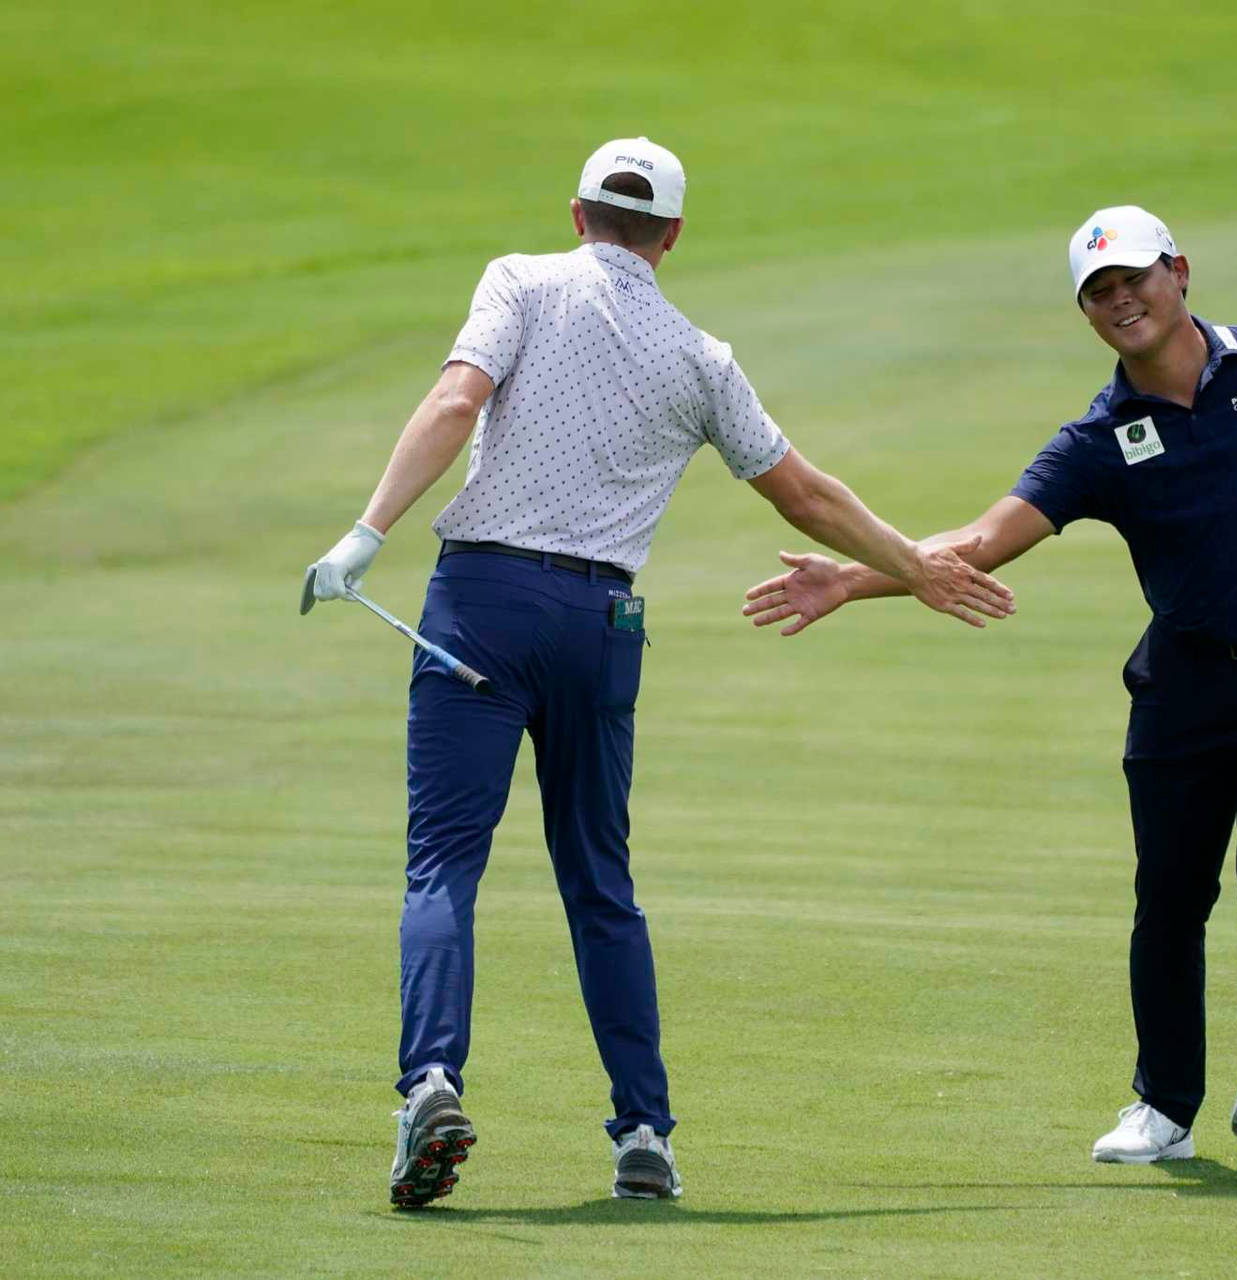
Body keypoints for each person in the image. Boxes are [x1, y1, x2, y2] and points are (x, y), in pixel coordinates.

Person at [301, 136, 1014, 1208]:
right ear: (672, 236)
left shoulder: (519, 281)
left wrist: (366, 529)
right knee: (600, 881)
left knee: (444, 863)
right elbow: (804, 492)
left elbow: (456, 403)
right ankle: (643, 1131)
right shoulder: (700, 356)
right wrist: (914, 564)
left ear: (578, 211)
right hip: (602, 623)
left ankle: (431, 1084)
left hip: (481, 607)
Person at [739, 206, 1237, 1175]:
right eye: (1099, 293)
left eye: (1135, 280)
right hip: (1184, 688)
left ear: (1180, 273)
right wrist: (854, 579)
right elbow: (984, 542)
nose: (1122, 302)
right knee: (1170, 897)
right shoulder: (1102, 437)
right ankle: (1164, 1106)